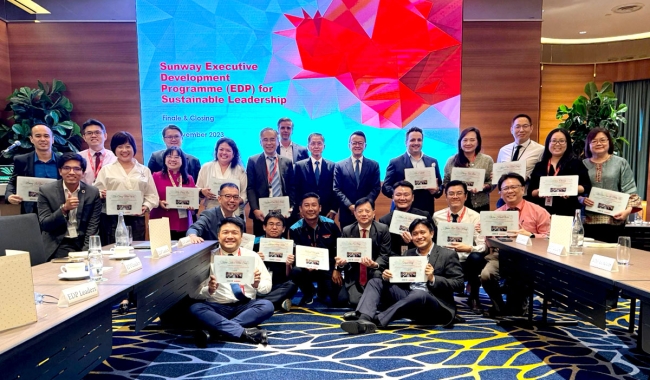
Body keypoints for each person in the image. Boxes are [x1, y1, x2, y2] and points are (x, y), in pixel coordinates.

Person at [340, 218, 464, 334]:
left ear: (431, 233)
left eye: (422, 232)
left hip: (434, 306)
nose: (419, 237)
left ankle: (377, 320)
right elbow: (400, 280)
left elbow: (459, 284)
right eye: (415, 234)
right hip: (409, 300)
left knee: (419, 294)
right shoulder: (408, 254)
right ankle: (364, 319)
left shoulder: (447, 254)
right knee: (375, 282)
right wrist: (387, 276)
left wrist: (433, 279)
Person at [190, 217, 273, 347]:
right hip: (217, 307)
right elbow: (194, 293)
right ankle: (244, 332)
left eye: (234, 233)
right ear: (218, 236)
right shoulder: (206, 258)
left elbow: (267, 287)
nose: (230, 236)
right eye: (225, 232)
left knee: (267, 306)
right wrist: (209, 290)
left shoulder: (252, 256)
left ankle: (215, 330)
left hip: (244, 306)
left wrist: (256, 285)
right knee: (195, 308)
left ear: (241, 237)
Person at [481, 173, 550, 317]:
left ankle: (518, 305)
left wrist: (530, 236)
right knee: (486, 275)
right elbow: (489, 243)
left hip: (529, 258)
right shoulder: (496, 214)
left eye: (514, 187)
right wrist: (485, 233)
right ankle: (499, 306)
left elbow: (550, 237)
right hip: (501, 256)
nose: (509, 191)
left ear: (523, 189)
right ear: (500, 192)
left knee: (517, 309)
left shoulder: (538, 211)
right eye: (505, 188)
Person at [93, 131, 159, 244]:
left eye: (128, 146)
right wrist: (101, 193)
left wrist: (146, 206)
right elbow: (96, 191)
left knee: (137, 250)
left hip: (137, 218)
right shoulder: (106, 169)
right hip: (112, 219)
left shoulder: (144, 170)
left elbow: (152, 195)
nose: (124, 150)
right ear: (114, 149)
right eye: (120, 147)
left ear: (133, 148)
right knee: (114, 250)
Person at [433, 180, 486, 314]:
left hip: (467, 259)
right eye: (451, 193)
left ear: (466, 196)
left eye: (459, 193)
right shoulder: (437, 216)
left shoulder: (476, 217)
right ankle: (444, 298)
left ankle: (474, 297)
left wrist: (469, 248)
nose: (455, 196)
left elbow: (483, 245)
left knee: (476, 257)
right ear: (446, 196)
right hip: (445, 260)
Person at [37, 152, 102, 260]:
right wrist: (64, 209)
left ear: (83, 172)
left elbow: (92, 226)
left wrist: (86, 253)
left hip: (81, 243)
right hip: (58, 244)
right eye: (67, 168)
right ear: (60, 171)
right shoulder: (46, 191)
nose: (72, 172)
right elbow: (45, 225)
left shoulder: (92, 192)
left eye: (77, 169)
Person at [582, 127, 641, 243]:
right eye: (594, 141)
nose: (599, 143)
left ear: (609, 142)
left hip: (614, 220)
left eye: (603, 140)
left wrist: (627, 211)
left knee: (612, 257)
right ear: (588, 144)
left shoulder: (620, 163)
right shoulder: (582, 164)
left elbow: (630, 191)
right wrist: (581, 199)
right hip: (587, 222)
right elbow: (576, 191)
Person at [289, 192, 343, 306]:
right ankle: (309, 292)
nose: (310, 209)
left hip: (328, 268)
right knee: (296, 271)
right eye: (306, 205)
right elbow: (295, 253)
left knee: (340, 300)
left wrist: (337, 269)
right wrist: (306, 264)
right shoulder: (294, 229)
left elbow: (340, 249)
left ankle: (322, 291)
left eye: (314, 205)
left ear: (320, 208)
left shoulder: (331, 225)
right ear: (301, 209)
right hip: (306, 268)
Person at [339, 198, 392, 307]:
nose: (364, 214)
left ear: (373, 213)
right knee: (350, 301)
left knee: (377, 276)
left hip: (374, 272)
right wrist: (341, 262)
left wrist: (375, 264)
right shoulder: (347, 230)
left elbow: (385, 254)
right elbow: (342, 255)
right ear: (354, 213)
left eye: (367, 211)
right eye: (360, 211)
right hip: (354, 272)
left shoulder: (383, 229)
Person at [529, 128, 591, 216]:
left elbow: (586, 186)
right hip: (542, 212)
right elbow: (531, 192)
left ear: (567, 143)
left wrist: (570, 189)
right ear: (548, 143)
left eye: (562, 141)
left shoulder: (575, 163)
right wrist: (540, 191)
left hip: (566, 211)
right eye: (554, 141)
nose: (557, 144)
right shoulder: (540, 165)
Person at [382, 126, 442, 216]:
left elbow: (440, 187)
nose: (416, 143)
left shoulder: (432, 162)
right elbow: (385, 187)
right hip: (402, 211)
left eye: (419, 140)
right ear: (406, 142)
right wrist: (399, 193)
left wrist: (436, 191)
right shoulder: (395, 162)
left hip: (426, 210)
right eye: (412, 140)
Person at [246, 127, 295, 236]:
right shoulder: (253, 161)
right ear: (260, 142)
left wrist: (291, 207)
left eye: (272, 139)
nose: (269, 143)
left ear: (278, 142)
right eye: (265, 140)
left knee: (281, 244)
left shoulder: (287, 162)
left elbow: (292, 188)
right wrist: (255, 209)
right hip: (261, 213)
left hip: (283, 212)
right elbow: (250, 188)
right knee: (260, 244)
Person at [5, 124, 60, 214]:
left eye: (46, 136)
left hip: (58, 210)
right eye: (38, 136)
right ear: (31, 139)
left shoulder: (63, 161)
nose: (42, 139)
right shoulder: (22, 160)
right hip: (31, 211)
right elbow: (13, 182)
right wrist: (9, 195)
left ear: (52, 139)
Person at [333, 131, 381, 228]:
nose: (357, 145)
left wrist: (364, 206)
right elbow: (337, 189)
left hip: (367, 213)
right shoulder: (339, 165)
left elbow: (376, 188)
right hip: (347, 213)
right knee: (347, 242)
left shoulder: (374, 165)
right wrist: (350, 205)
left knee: (368, 241)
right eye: (354, 143)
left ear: (365, 145)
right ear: (349, 145)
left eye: (360, 143)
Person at [252, 212, 299, 312]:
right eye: (271, 224)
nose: (274, 227)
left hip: (277, 286)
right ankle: (275, 303)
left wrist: (288, 265)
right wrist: (255, 259)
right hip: (258, 285)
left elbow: (288, 276)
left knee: (291, 286)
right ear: (264, 227)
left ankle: (258, 303)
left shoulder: (289, 246)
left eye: (278, 225)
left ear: (283, 229)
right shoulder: (254, 244)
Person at [496, 114, 544, 207]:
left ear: (531, 128)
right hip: (506, 198)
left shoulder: (540, 150)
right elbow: (499, 175)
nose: (521, 130)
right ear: (511, 129)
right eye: (517, 126)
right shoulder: (503, 150)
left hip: (527, 197)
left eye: (525, 126)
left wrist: (528, 177)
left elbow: (542, 174)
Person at [150, 147, 197, 240]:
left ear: (182, 160)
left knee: (183, 252)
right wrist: (159, 202)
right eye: (169, 156)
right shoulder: (155, 176)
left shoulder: (189, 178)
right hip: (160, 219)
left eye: (176, 157)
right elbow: (149, 196)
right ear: (164, 159)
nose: (172, 159)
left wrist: (192, 206)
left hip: (182, 222)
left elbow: (193, 200)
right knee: (160, 252)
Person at [443, 127, 494, 212]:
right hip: (457, 205)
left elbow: (492, 182)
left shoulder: (487, 160)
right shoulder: (451, 160)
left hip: (480, 205)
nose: (468, 143)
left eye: (472, 140)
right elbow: (445, 182)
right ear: (460, 142)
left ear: (478, 142)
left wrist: (484, 186)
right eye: (465, 140)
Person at [195, 138, 247, 218]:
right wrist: (202, 191)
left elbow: (244, 194)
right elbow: (197, 189)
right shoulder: (206, 167)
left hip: (233, 213)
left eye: (228, 150)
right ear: (216, 151)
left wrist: (234, 200)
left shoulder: (240, 170)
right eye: (221, 149)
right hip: (211, 212)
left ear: (233, 154)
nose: (224, 153)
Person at [379, 180, 431, 256]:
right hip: (393, 260)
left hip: (420, 258)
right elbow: (384, 249)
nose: (402, 198)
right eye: (398, 195)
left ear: (413, 197)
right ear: (393, 197)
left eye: (406, 195)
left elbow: (433, 241)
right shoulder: (384, 220)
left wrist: (415, 239)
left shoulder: (424, 216)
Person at [294, 133, 337, 219]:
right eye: (313, 143)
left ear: (324, 146)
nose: (316, 146)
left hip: (326, 211)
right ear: (308, 147)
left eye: (319, 143)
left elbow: (335, 189)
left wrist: (333, 209)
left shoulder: (332, 165)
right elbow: (296, 189)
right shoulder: (299, 166)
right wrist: (299, 210)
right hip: (306, 210)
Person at [78, 119, 117, 185]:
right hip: (85, 194)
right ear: (84, 138)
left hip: (109, 194)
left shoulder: (115, 157)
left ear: (105, 136)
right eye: (89, 133)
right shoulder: (78, 157)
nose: (93, 136)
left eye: (97, 132)